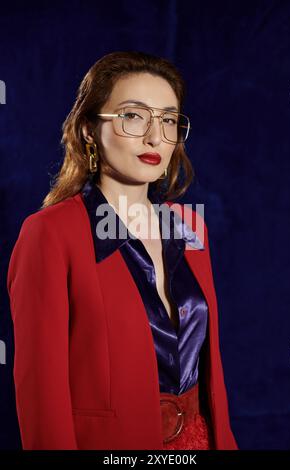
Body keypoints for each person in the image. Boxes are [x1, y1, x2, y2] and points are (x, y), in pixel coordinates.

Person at [7, 51, 238, 450]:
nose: (155, 137)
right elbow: (42, 398)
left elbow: (208, 374)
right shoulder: (49, 233)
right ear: (88, 130)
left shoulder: (188, 225)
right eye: (134, 116)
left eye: (167, 119)